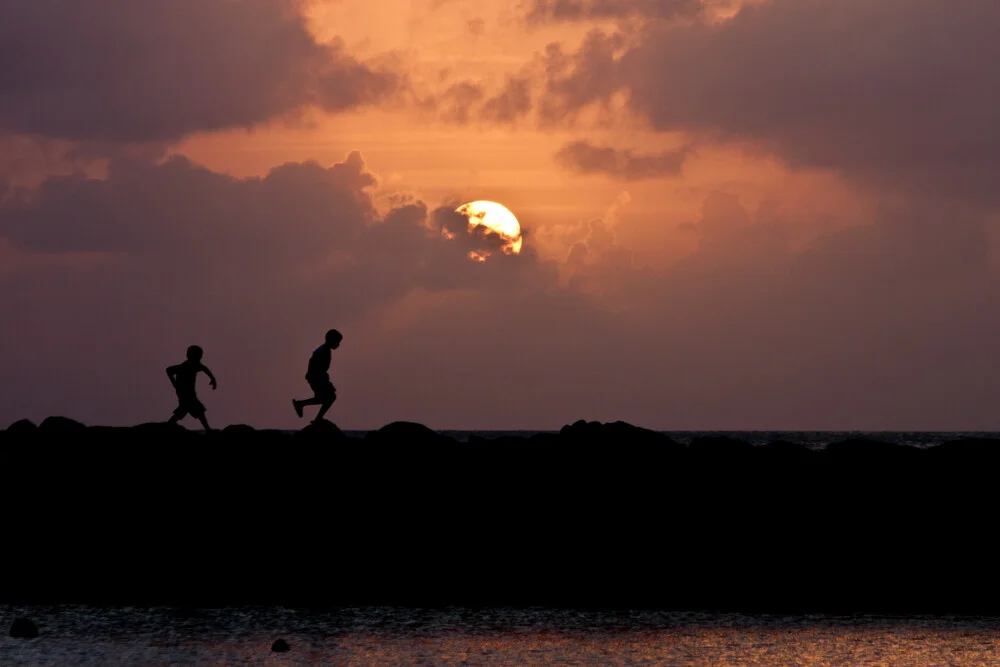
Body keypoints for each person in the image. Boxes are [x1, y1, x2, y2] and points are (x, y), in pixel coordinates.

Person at [293, 329, 342, 423]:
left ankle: (302, 404)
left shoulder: (326, 350)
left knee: (325, 398)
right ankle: (315, 417)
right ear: (330, 340)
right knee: (329, 397)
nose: (338, 344)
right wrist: (310, 374)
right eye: (337, 341)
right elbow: (312, 360)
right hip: (317, 378)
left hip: (320, 377)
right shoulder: (322, 350)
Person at [166, 345, 217, 431]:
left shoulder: (194, 365)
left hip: (188, 393)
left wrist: (212, 378)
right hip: (185, 394)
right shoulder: (185, 366)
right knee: (197, 410)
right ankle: (207, 429)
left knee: (184, 411)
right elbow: (169, 370)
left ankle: (169, 425)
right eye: (198, 356)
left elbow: (204, 368)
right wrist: (174, 384)